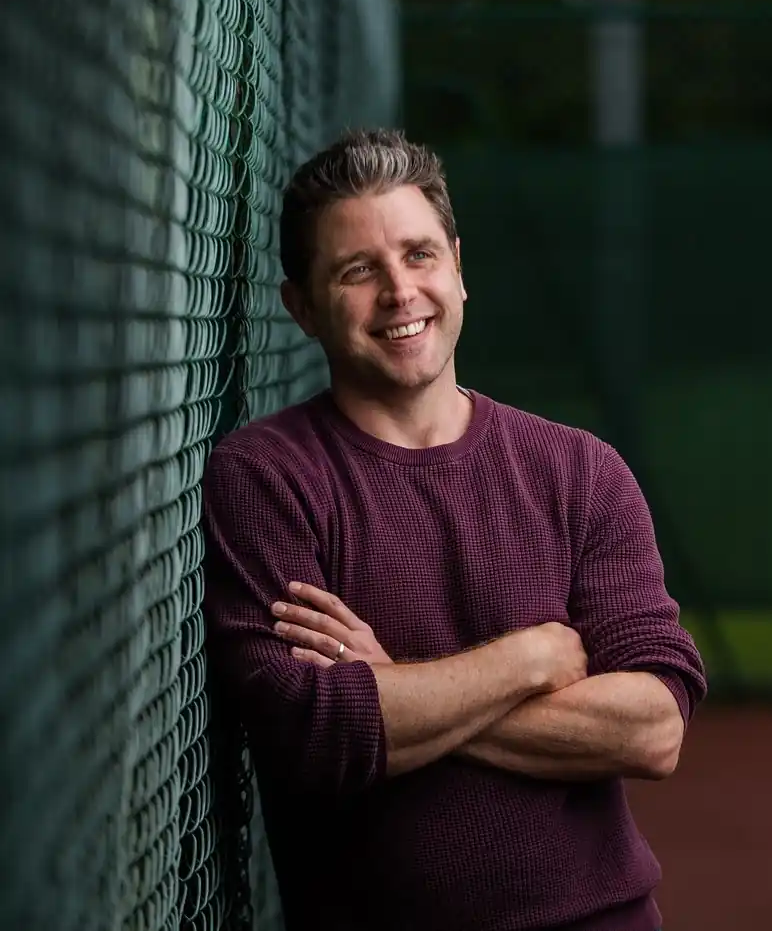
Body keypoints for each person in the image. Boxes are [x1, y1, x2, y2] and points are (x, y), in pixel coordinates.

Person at [201, 128, 707, 931]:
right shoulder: (265, 478)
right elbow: (311, 731)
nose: (400, 292)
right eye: (357, 270)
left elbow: (651, 729)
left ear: (458, 269)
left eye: (418, 254)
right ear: (301, 306)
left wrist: (393, 687)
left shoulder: (578, 471)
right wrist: (528, 657)